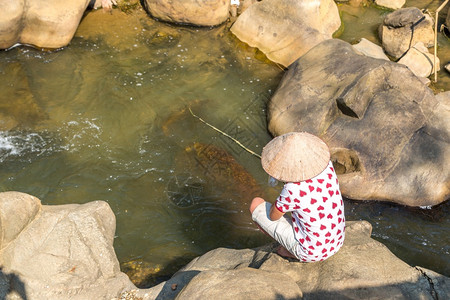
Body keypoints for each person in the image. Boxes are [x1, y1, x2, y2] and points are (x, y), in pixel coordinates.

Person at [249, 132, 345, 262]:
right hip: (337, 241)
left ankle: (291, 250)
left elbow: (273, 216)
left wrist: (280, 200)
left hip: (313, 252)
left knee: (256, 203)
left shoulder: (293, 189)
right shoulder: (326, 166)